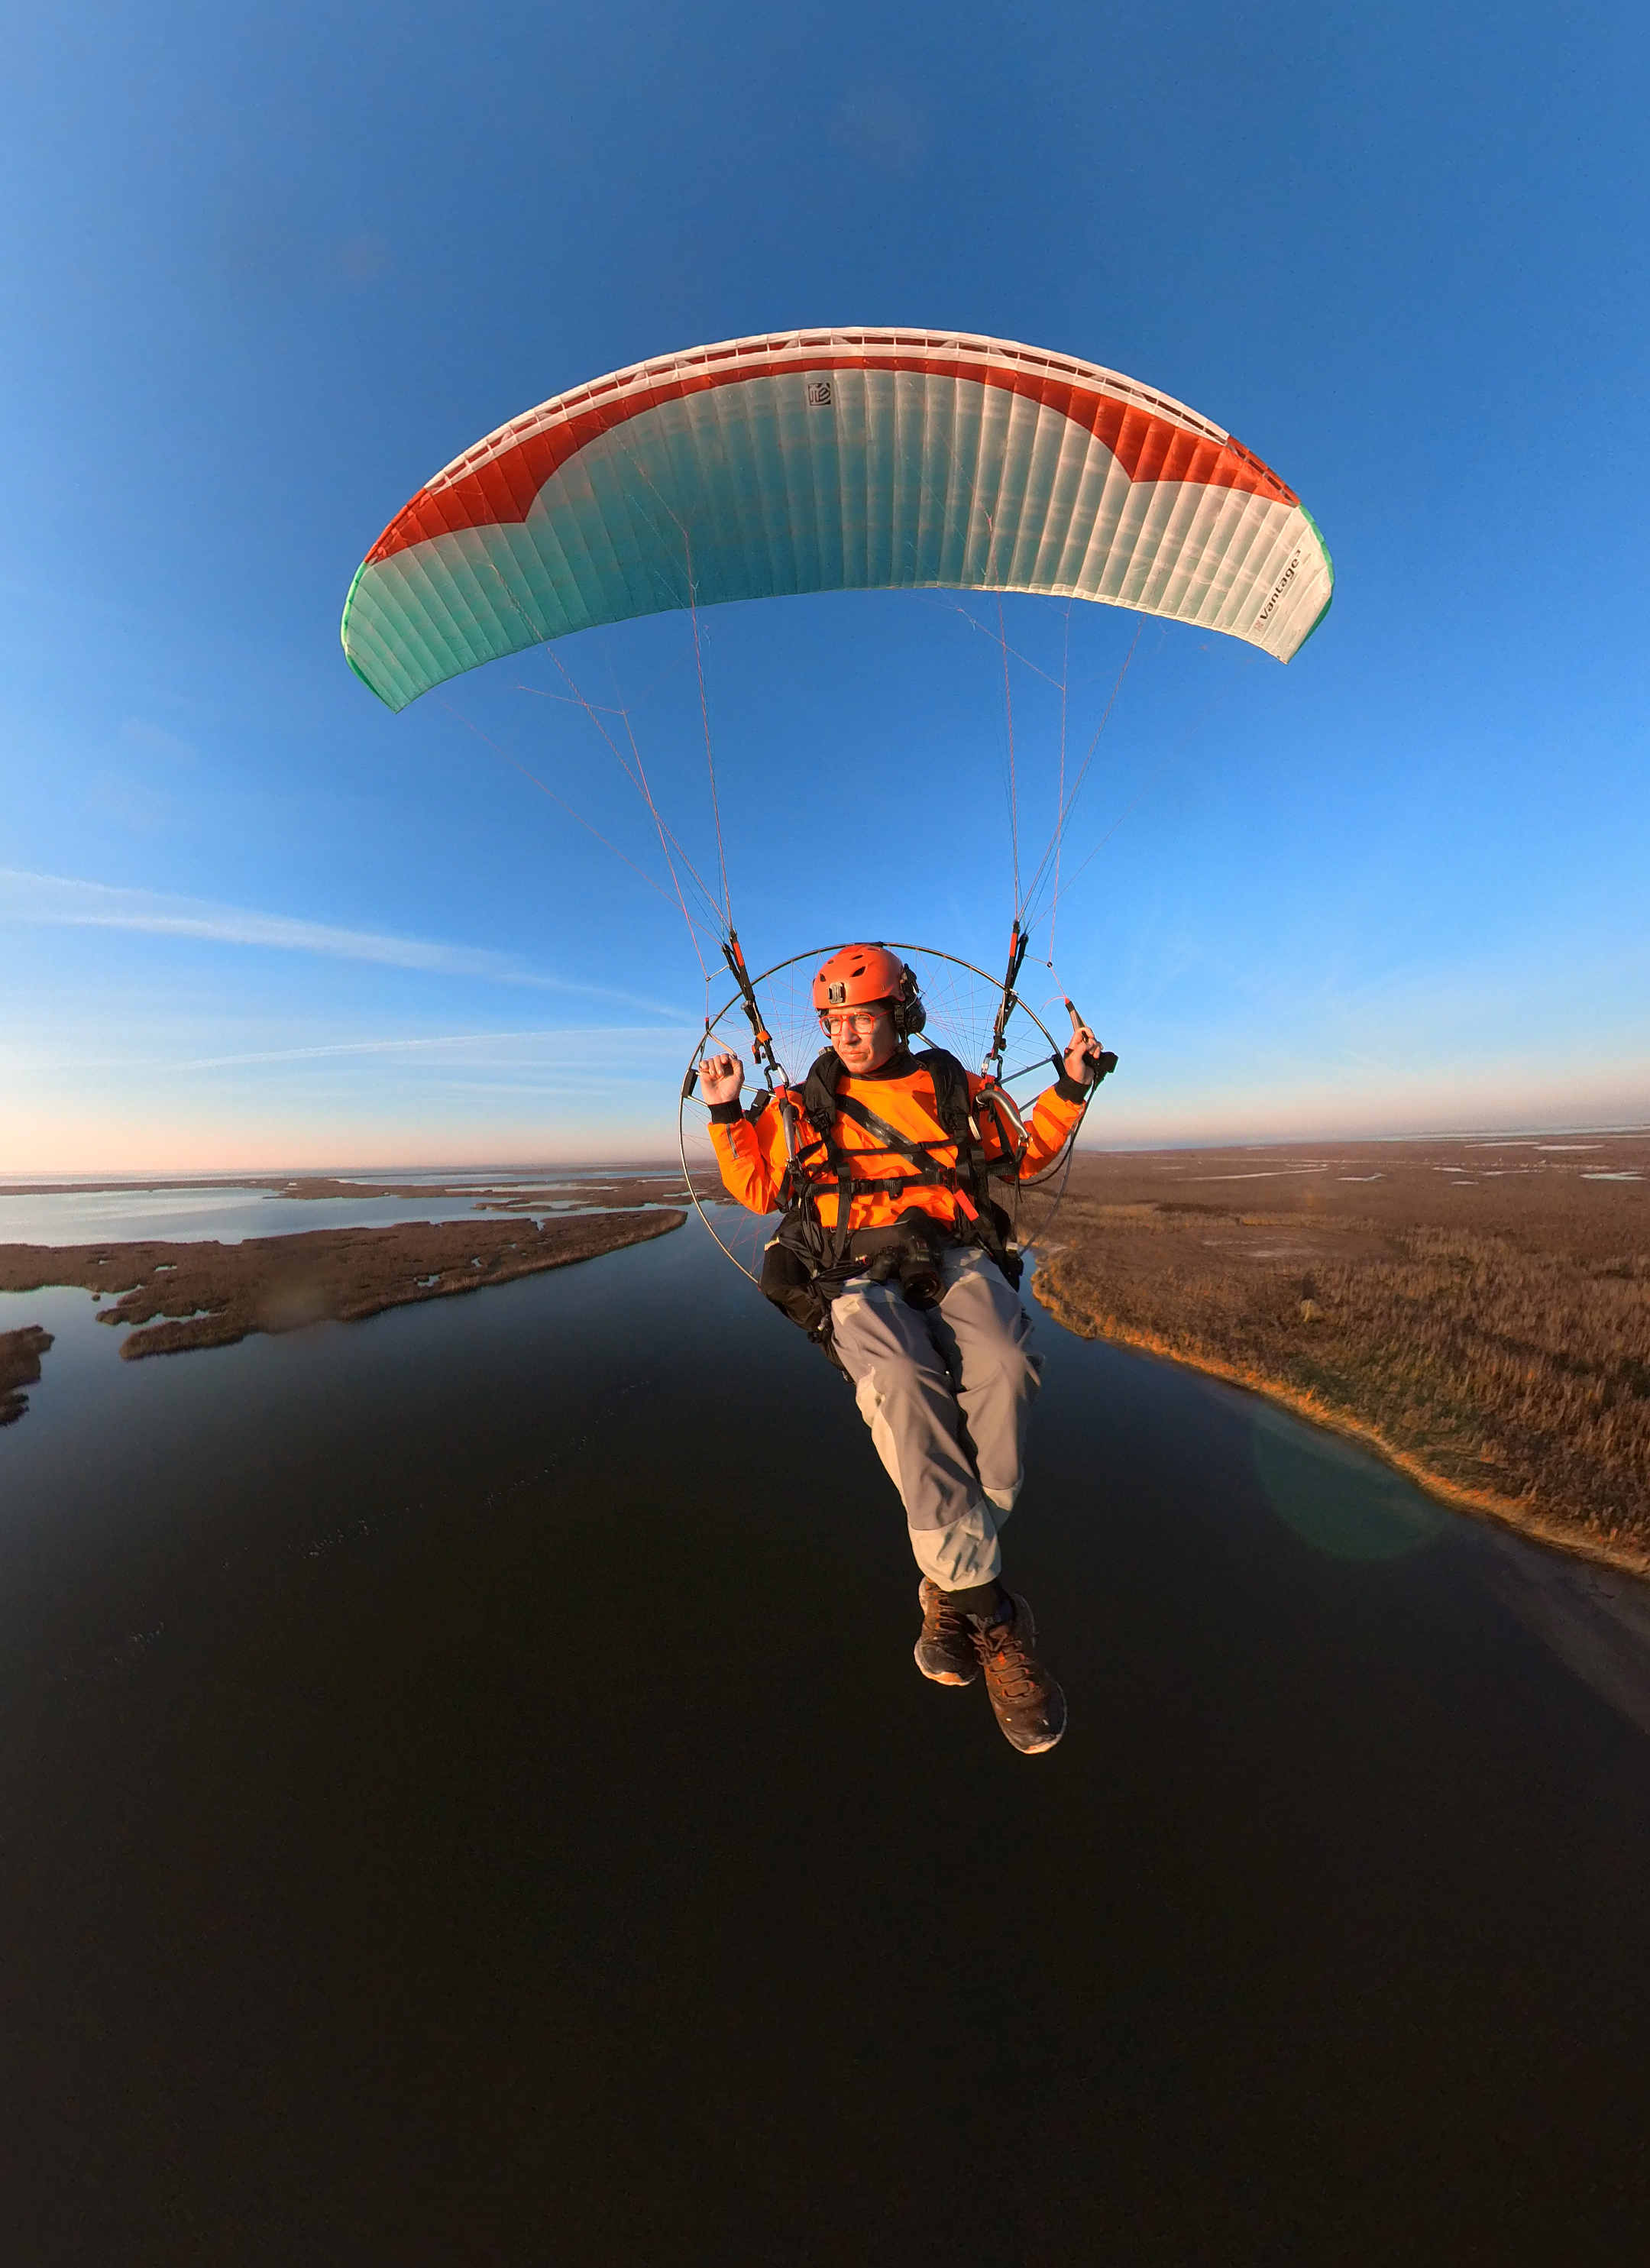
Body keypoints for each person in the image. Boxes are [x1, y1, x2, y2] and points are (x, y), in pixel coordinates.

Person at [698, 943, 1108, 1755]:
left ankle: (952, 1584)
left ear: (898, 1013)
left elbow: (1020, 1156)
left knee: (1005, 1360)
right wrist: (726, 1110)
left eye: (862, 1016)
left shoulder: (953, 1085)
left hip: (955, 1252)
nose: (847, 1033)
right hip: (852, 1268)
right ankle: (993, 1614)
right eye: (833, 1020)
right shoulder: (801, 1104)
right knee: (899, 1381)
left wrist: (1070, 1085)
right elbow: (761, 1189)